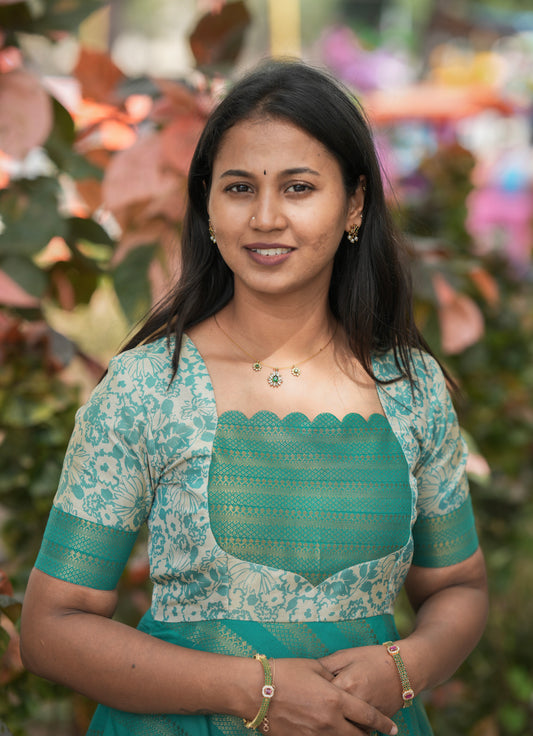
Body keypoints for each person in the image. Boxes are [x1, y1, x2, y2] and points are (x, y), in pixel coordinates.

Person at [20, 59, 488, 736]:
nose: (266, 218)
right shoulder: (149, 388)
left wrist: (404, 666)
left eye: (298, 188)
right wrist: (257, 691)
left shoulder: (409, 390)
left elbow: (458, 587)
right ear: (208, 203)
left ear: (354, 204)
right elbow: (50, 628)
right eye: (239, 188)